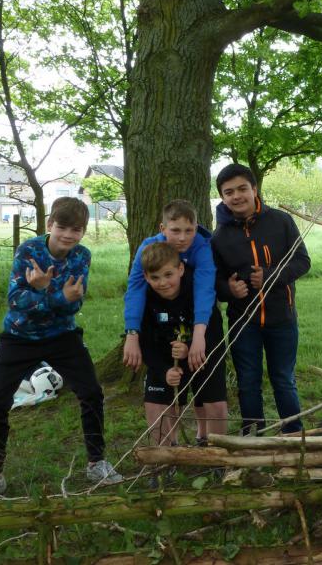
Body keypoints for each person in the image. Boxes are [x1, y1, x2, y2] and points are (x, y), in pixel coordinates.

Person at [0, 198, 122, 504]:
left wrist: (52, 296)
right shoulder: (29, 251)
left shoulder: (82, 256)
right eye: (62, 227)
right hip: (18, 336)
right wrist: (48, 294)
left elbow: (76, 303)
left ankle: (96, 462)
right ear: (49, 224)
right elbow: (15, 300)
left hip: (62, 335)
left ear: (83, 231)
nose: (68, 234)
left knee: (91, 392)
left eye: (76, 229)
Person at [211, 163, 310, 434]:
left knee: (283, 379)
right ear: (222, 197)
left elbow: (303, 262)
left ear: (255, 189)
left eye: (242, 188)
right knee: (248, 381)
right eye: (228, 192)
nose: (237, 196)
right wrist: (229, 290)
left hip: (282, 318)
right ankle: (254, 435)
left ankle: (293, 434)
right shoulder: (219, 237)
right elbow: (215, 282)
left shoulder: (281, 221)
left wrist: (271, 275)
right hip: (243, 323)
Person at [123, 199, 217, 443]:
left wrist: (198, 337)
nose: (183, 238)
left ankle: (204, 437)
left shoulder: (202, 248)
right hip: (158, 324)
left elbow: (205, 290)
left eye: (189, 230)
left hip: (195, 318)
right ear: (162, 229)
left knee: (204, 383)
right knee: (164, 386)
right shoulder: (148, 247)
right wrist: (132, 335)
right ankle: (166, 447)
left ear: (197, 227)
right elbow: (134, 289)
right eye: (175, 230)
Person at [135, 243, 228, 448]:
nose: (163, 283)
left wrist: (189, 347)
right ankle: (165, 455)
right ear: (146, 277)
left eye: (168, 275)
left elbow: (214, 332)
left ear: (181, 269)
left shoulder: (199, 288)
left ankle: (216, 451)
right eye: (155, 278)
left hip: (202, 349)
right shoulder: (144, 298)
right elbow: (147, 344)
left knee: (215, 402)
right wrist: (164, 370)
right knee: (155, 403)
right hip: (165, 357)